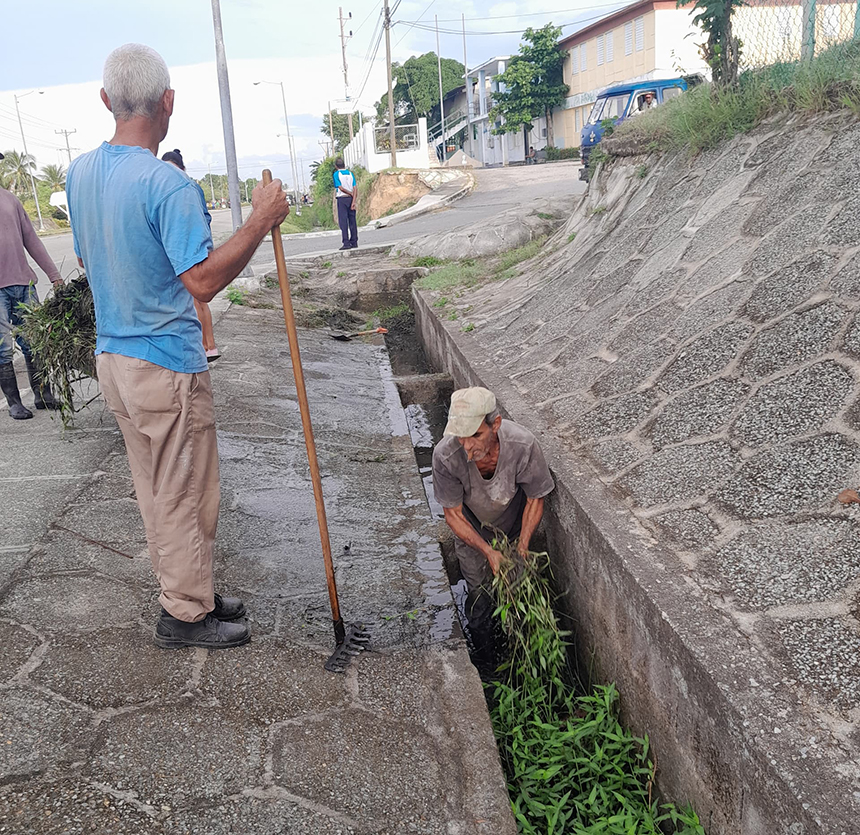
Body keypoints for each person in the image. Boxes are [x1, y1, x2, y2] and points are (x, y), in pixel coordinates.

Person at [66, 43, 290, 650]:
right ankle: (186, 614)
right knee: (187, 489)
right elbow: (204, 281)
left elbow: (88, 258)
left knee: (158, 487)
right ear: (168, 102)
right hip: (163, 365)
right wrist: (259, 220)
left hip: (113, 360)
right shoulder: (169, 185)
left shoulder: (80, 172)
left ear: (107, 101)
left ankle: (189, 591)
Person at [432, 387, 555, 667]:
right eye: (461, 436)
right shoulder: (445, 456)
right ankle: (488, 663)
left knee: (520, 593)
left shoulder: (522, 445)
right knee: (479, 599)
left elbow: (536, 499)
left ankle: (523, 659)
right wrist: (488, 552)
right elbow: (453, 515)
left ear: (495, 425)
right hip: (472, 533)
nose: (467, 446)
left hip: (512, 530)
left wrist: (522, 547)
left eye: (476, 435)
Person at [0, 154, 63, 420]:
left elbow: (32, 240)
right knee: (3, 347)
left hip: (23, 284)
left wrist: (54, 274)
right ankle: (14, 403)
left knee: (34, 343)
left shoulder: (10, 200)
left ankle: (43, 395)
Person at [161, 149, 220, 361]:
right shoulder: (170, 187)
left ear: (183, 169)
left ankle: (209, 345)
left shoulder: (190, 186)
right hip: (181, 251)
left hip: (194, 250)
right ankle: (203, 345)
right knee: (191, 301)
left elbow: (204, 218)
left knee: (200, 298)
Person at [332, 157, 358, 251]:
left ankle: (346, 243)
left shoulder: (336, 174)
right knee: (352, 221)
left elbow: (340, 188)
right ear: (344, 165)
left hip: (342, 199)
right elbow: (355, 187)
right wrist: (353, 200)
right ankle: (354, 242)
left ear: (336, 166)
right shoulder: (351, 174)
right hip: (351, 199)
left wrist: (349, 193)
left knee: (343, 222)